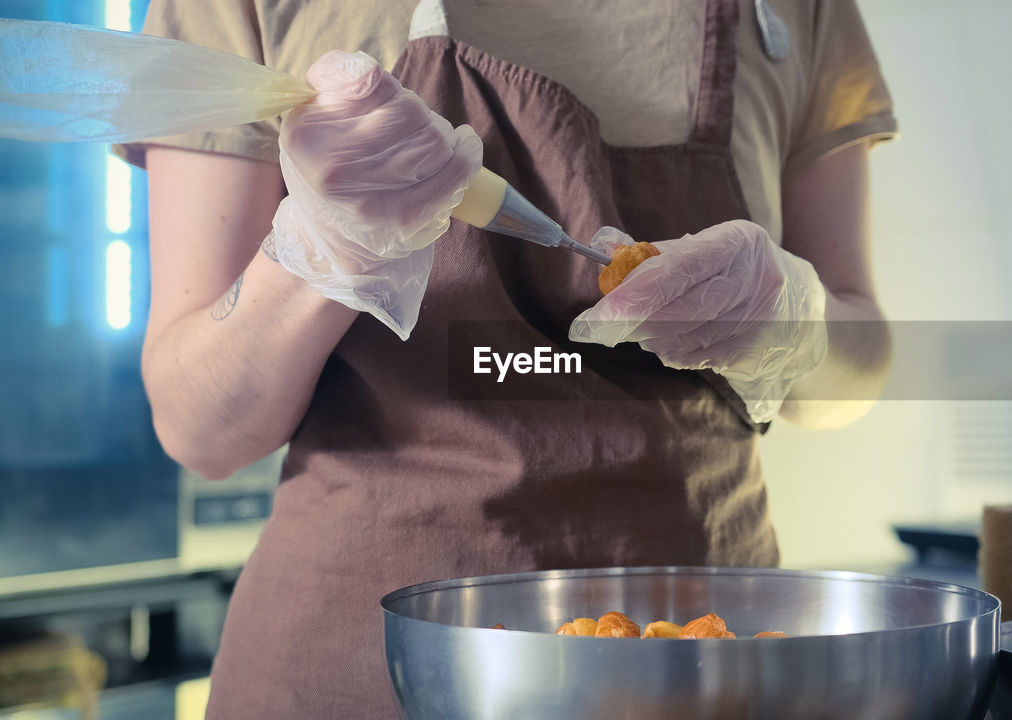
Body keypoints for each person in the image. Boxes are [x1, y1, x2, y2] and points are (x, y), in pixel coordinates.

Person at [117, 0, 896, 716]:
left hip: (700, 666)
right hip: (363, 673)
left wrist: (793, 321)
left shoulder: (803, 12)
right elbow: (200, 429)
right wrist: (322, 250)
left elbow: (856, 378)